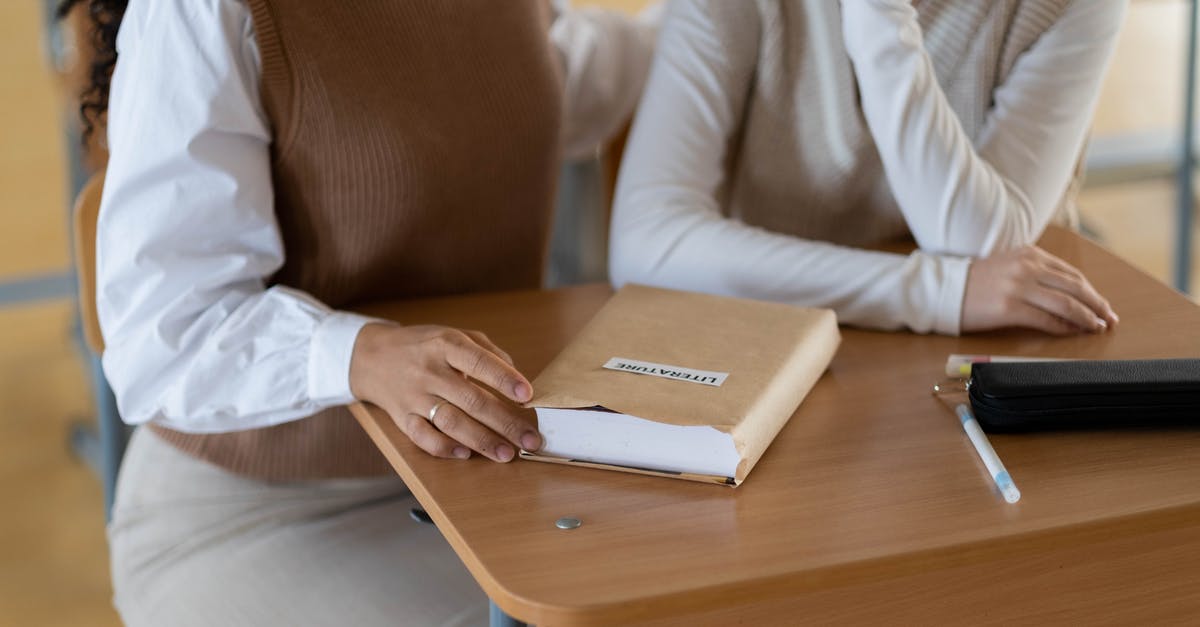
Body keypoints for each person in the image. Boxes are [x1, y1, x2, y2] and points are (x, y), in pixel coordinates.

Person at [65, 0, 658, 624]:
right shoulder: (199, 11)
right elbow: (165, 336)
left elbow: (581, 75)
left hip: (484, 488)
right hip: (264, 511)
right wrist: (361, 355)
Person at [610, 0, 1124, 337]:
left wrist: (879, 21)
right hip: (774, 338)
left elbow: (980, 243)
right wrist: (936, 291)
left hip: (991, 350)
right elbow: (645, 241)